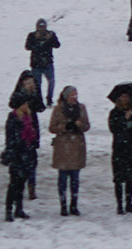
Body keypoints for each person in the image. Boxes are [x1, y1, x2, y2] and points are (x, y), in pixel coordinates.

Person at [49, 87, 90, 216]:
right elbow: (52, 127)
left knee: (75, 179)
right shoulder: (58, 109)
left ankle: (74, 204)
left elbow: (87, 125)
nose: (75, 97)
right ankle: (63, 205)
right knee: (62, 178)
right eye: (72, 95)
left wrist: (79, 125)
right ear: (66, 96)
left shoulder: (81, 108)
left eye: (76, 95)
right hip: (63, 147)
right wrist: (64, 127)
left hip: (77, 146)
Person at [2, 96, 42, 222]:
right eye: (24, 104)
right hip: (17, 155)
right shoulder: (13, 117)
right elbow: (10, 138)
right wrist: (14, 149)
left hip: (27, 154)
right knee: (14, 183)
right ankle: (9, 209)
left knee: (22, 183)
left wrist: (32, 144)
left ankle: (18, 208)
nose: (27, 106)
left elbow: (34, 133)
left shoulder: (29, 116)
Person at [108, 93, 132, 214]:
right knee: (119, 177)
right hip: (120, 148)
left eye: (127, 97)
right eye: (122, 97)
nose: (124, 99)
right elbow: (114, 128)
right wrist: (125, 120)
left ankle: (129, 203)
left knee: (131, 177)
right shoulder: (114, 113)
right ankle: (119, 204)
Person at [26, 19, 62, 104]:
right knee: (37, 84)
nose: (41, 29)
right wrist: (37, 40)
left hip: (48, 63)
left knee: (51, 81)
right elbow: (27, 47)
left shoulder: (51, 34)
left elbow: (57, 45)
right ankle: (39, 100)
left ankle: (49, 98)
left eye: (43, 27)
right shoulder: (32, 35)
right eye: (40, 27)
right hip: (36, 64)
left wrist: (50, 39)